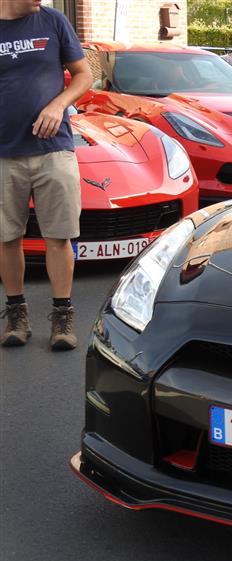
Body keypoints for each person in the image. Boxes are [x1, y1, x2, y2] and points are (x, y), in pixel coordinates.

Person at [1, 0, 93, 350]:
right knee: (6, 237)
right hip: (3, 152)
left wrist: (58, 105)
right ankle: (16, 314)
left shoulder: (53, 21)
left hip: (53, 148)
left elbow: (84, 74)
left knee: (59, 235)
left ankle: (62, 316)